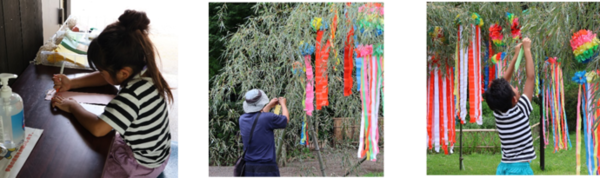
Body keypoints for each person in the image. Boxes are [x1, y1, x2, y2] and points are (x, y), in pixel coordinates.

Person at [51, 9, 173, 178]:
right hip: (157, 152)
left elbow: (98, 129)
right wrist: (72, 83)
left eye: (102, 71)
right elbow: (107, 77)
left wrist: (73, 106)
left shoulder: (132, 96)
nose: (101, 74)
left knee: (90, 170)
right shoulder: (142, 69)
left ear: (123, 73)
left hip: (141, 164)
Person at [484, 37, 536, 177]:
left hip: (503, 169)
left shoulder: (498, 113)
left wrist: (514, 57)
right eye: (514, 88)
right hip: (520, 170)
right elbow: (530, 78)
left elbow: (503, 83)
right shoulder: (521, 110)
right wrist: (527, 50)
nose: (515, 86)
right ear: (514, 99)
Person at [239, 89, 289, 178]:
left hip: (249, 168)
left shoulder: (242, 119)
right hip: (266, 168)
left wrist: (269, 106)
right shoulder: (268, 118)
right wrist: (283, 104)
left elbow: (258, 117)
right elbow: (285, 120)